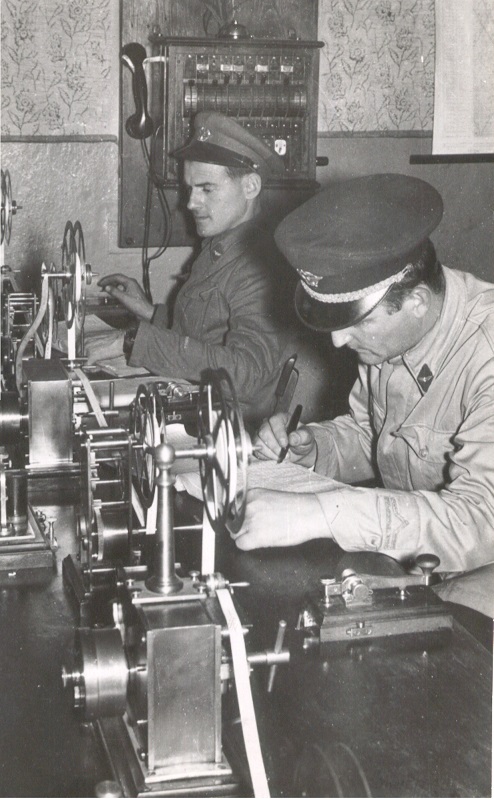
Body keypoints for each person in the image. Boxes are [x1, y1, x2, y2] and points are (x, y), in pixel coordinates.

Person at [236, 173, 494, 576]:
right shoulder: (389, 338)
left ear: (417, 302)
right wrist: (314, 449)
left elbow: (481, 520)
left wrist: (323, 513)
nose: (338, 341)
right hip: (419, 563)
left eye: (357, 322)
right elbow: (373, 436)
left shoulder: (487, 354)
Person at [85, 111, 294, 422]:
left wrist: (131, 341)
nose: (191, 203)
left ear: (251, 186)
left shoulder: (260, 266)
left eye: (207, 189)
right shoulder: (223, 245)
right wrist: (147, 311)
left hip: (228, 432)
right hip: (200, 409)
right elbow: (207, 328)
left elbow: (247, 374)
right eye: (190, 189)